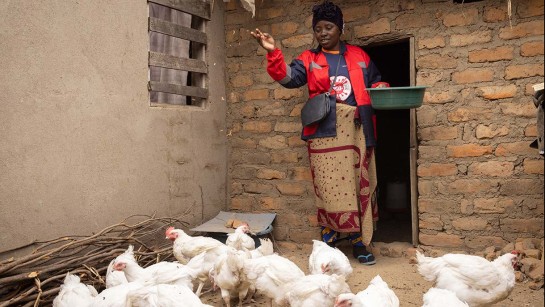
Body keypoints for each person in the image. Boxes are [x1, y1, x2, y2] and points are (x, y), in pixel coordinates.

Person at [251, 0, 388, 265]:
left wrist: (382, 86)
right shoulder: (309, 59)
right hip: (324, 135)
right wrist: (272, 52)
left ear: (341, 28)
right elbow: (289, 79)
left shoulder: (360, 57)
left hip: (358, 132)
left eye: (329, 27)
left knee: (358, 185)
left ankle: (359, 241)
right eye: (318, 29)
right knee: (328, 188)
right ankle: (329, 238)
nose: (323, 33)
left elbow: (376, 82)